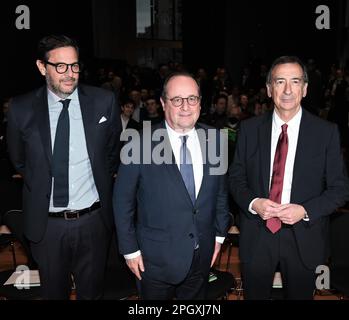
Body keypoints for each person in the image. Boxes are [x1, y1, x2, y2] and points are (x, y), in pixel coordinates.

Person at [7, 35, 122, 299]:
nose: (69, 74)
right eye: (60, 66)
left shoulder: (104, 101)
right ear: (41, 67)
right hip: (47, 226)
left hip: (93, 222)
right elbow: (19, 160)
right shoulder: (21, 109)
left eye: (74, 66)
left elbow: (111, 153)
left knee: (92, 294)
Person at [229, 56, 349, 300]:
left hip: (304, 237)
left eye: (295, 82)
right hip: (258, 234)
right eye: (279, 81)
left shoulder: (326, 133)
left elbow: (340, 189)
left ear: (304, 89)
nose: (286, 90)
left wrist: (304, 210)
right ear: (269, 88)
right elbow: (235, 179)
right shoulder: (249, 130)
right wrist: (254, 203)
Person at [113, 72, 230, 300]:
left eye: (192, 99)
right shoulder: (138, 143)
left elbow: (221, 194)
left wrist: (218, 237)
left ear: (200, 102)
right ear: (163, 103)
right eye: (177, 99)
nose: (185, 106)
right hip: (153, 261)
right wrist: (130, 251)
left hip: (202, 255)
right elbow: (122, 201)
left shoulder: (215, 139)